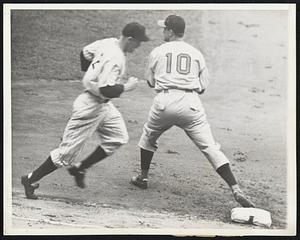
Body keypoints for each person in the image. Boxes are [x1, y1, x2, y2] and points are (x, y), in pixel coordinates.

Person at [130, 15, 255, 208]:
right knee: (211, 147)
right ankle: (235, 188)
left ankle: (143, 178)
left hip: (165, 101)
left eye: (165, 29)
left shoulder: (157, 52)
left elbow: (151, 82)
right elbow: (203, 87)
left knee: (148, 137)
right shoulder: (196, 53)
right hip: (191, 104)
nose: (163, 31)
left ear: (171, 31)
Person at [21, 22, 150, 199]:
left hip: (103, 106)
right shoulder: (116, 58)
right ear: (129, 39)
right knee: (65, 155)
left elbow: (85, 52)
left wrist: (90, 73)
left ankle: (80, 168)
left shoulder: (109, 42)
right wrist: (127, 87)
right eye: (138, 42)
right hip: (89, 108)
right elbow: (106, 89)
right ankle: (30, 179)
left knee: (118, 137)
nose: (138, 47)